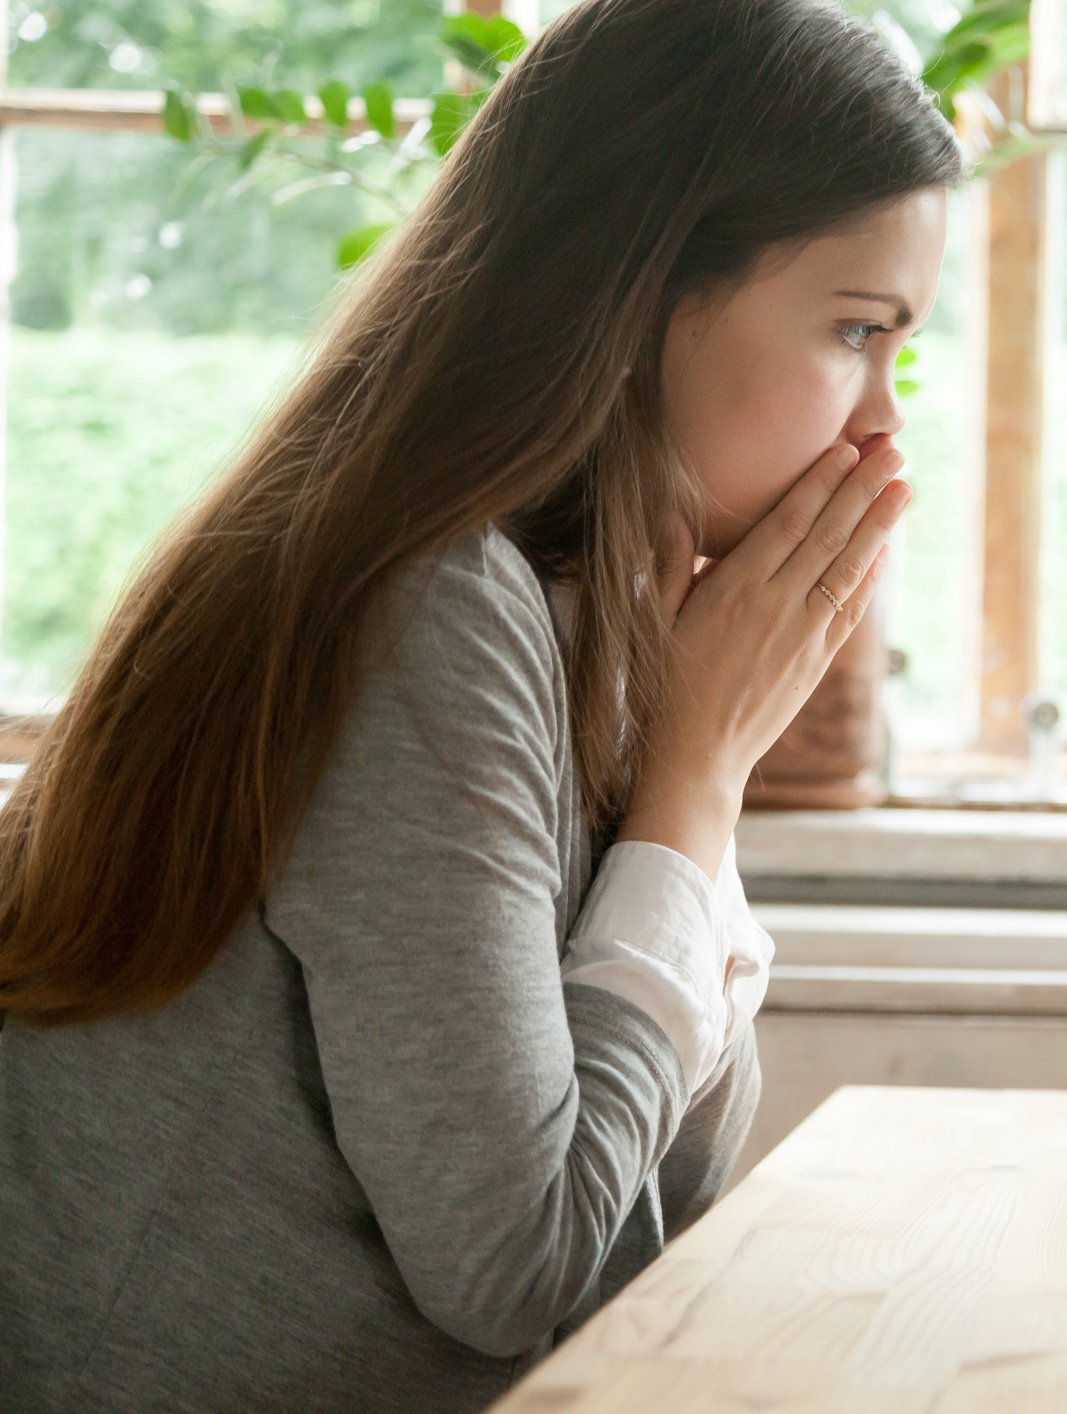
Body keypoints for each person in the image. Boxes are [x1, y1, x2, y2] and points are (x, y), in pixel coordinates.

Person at [0, 0, 960, 1407]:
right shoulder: (432, 610)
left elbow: (650, 1210)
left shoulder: (575, 609)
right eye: (855, 331)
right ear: (640, 298)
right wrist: (693, 784)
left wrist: (692, 749)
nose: (882, 424)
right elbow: (524, 1270)